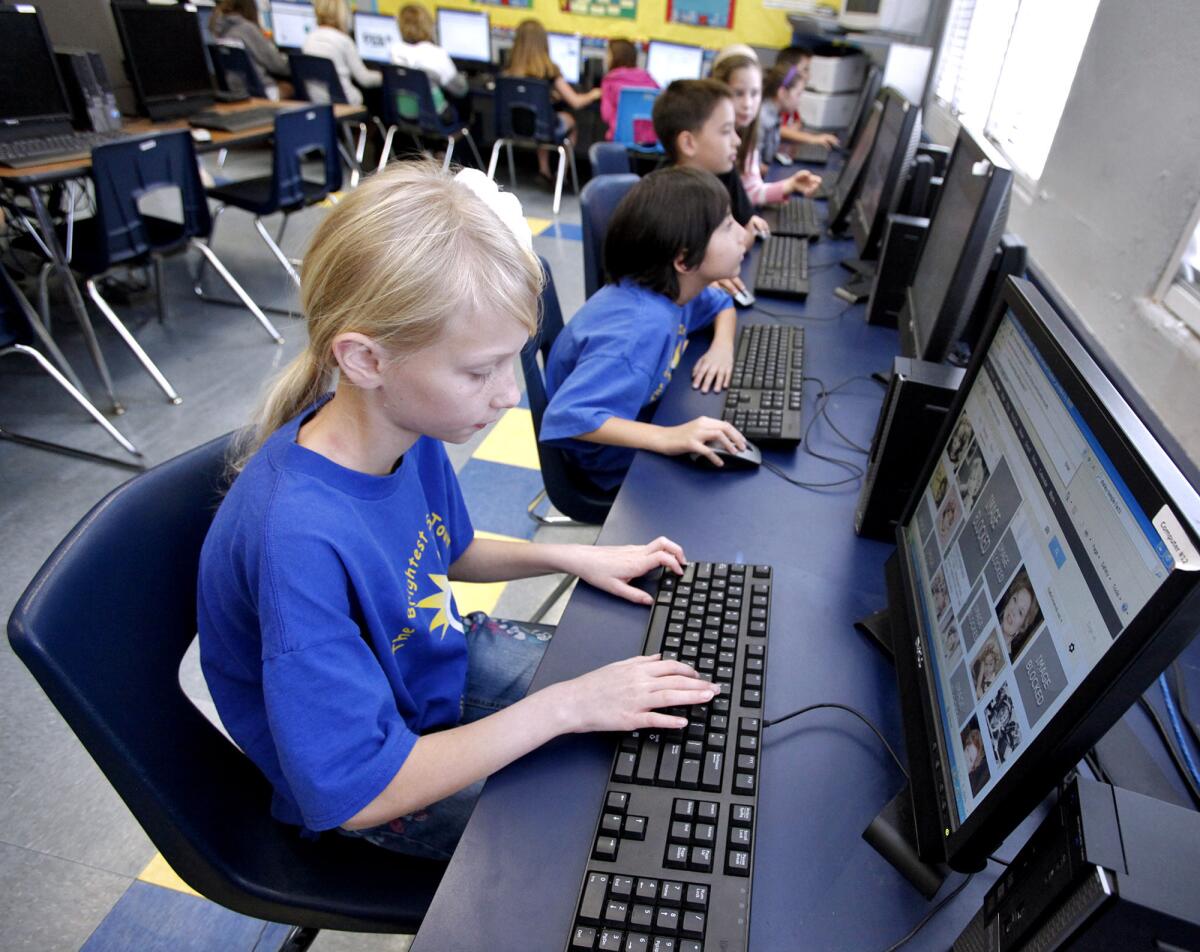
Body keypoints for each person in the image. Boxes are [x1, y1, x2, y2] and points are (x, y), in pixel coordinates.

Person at [196, 163, 720, 860]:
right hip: (382, 781)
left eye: (513, 362)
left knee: (649, 688)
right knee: (615, 828)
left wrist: (571, 555)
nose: (508, 395)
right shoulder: (294, 537)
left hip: (434, 677)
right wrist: (563, 708)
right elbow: (360, 792)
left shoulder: (403, 429)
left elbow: (450, 550)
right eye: (480, 371)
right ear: (366, 360)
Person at [541, 167, 748, 489]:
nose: (741, 233)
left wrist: (722, 347)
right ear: (684, 260)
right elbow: (567, 416)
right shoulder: (639, 331)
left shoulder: (673, 290)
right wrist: (667, 437)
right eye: (726, 226)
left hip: (636, 423)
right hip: (610, 461)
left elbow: (721, 303)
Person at [710, 54, 821, 208]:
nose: (748, 103)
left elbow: (751, 190)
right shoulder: (710, 142)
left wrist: (790, 184)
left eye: (754, 93)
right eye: (738, 93)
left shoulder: (747, 134)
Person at [504, 18, 602, 182]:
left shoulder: (508, 72)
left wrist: (547, 97)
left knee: (542, 118)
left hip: (514, 125)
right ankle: (561, 175)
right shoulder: (549, 70)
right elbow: (575, 102)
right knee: (569, 120)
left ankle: (544, 170)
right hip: (544, 127)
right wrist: (593, 94)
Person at [301, 0, 382, 107]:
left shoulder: (308, 39)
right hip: (346, 103)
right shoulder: (343, 41)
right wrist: (385, 76)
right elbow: (365, 79)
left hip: (317, 103)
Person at [211, 0, 294, 100]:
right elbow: (278, 66)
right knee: (290, 87)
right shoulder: (247, 29)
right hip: (259, 91)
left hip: (235, 90)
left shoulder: (221, 28)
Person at [389, 4, 468, 102]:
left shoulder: (395, 50)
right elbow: (460, 90)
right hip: (434, 114)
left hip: (404, 113)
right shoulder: (436, 54)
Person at [772, 47, 840, 152]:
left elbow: (797, 121)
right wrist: (813, 139)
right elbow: (776, 128)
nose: (809, 76)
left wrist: (794, 130)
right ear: (790, 70)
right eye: (805, 70)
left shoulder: (790, 101)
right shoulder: (777, 99)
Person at [599, 38, 658, 141]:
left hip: (620, 139)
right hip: (649, 141)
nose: (605, 58)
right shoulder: (648, 78)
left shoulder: (610, 80)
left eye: (607, 54)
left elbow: (606, 115)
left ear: (614, 57)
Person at [998, 570, 1041, 661]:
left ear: (1023, 626)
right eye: (1014, 600)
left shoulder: (1006, 661)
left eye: (1020, 612)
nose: (1013, 611)